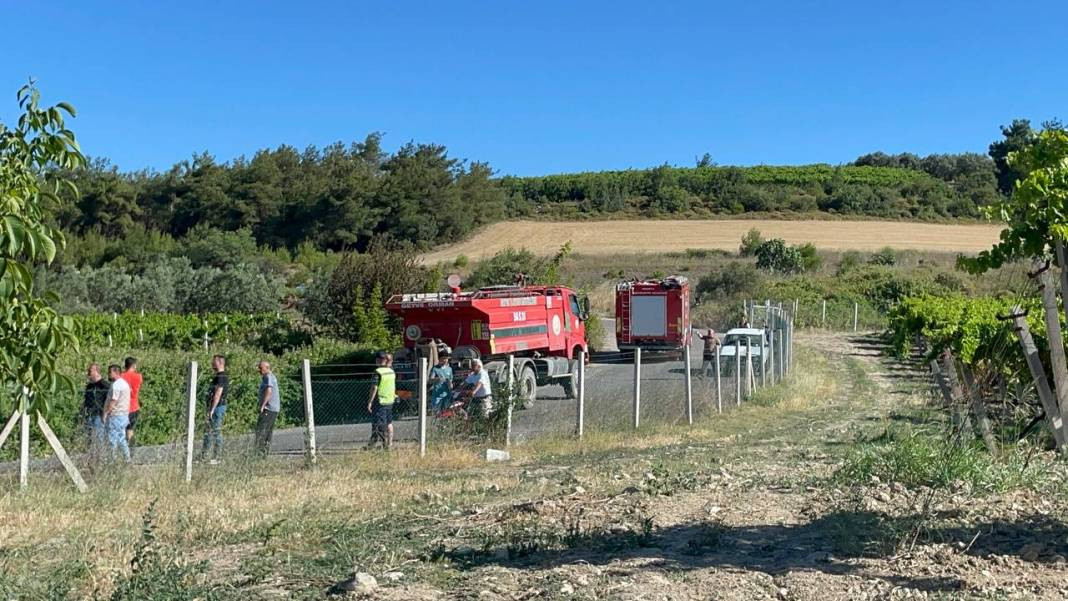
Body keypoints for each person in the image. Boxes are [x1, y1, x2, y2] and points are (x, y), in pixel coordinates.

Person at [200, 355, 229, 464]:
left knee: (216, 431)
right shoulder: (218, 376)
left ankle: (218, 456)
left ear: (220, 363)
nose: (212, 364)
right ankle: (204, 455)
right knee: (207, 431)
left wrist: (212, 409)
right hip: (214, 407)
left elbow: (218, 394)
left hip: (217, 408)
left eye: (214, 362)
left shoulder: (221, 377)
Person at [102, 364, 132, 463]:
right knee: (121, 439)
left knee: (112, 440)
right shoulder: (124, 384)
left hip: (115, 416)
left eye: (110, 372)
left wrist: (106, 413)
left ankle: (112, 462)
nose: (108, 374)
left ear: (116, 372)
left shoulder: (116, 385)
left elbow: (113, 401)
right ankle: (127, 459)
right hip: (124, 415)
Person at [366, 351, 396, 450]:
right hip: (390, 401)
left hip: (380, 401)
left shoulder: (378, 372)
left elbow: (374, 388)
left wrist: (370, 401)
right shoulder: (391, 371)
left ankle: (384, 446)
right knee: (389, 423)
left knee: (379, 424)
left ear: (377, 360)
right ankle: (389, 444)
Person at [82, 363, 110, 461]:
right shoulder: (89, 386)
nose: (88, 373)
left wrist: (106, 412)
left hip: (99, 414)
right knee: (89, 437)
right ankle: (91, 457)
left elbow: (109, 400)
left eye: (90, 371)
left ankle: (102, 458)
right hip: (89, 414)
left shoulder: (104, 385)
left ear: (96, 372)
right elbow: (86, 400)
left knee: (99, 437)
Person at [254, 361, 280, 456]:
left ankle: (259, 453)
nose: (259, 370)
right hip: (273, 409)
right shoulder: (269, 377)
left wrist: (262, 405)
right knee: (268, 431)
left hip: (268, 408)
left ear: (267, 367)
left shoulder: (268, 377)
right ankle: (264, 454)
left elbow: (269, 391)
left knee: (261, 430)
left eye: (261, 368)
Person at [120, 357, 142, 454]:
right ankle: (130, 452)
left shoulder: (121, 376)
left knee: (121, 431)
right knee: (130, 430)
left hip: (123, 407)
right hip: (134, 407)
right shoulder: (138, 377)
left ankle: (124, 452)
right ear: (133, 365)